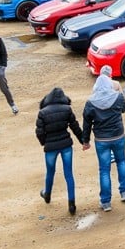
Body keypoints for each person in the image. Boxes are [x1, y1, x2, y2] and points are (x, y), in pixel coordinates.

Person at [82, 66, 125, 212]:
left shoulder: (90, 102)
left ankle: (106, 201)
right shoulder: (117, 97)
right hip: (118, 135)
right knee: (121, 161)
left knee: (104, 170)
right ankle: (124, 191)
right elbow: (124, 109)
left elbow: (86, 123)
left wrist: (86, 141)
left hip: (101, 139)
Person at [36, 87, 84, 215]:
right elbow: (75, 127)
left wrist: (45, 143)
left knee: (50, 173)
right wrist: (83, 140)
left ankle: (47, 195)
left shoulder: (43, 112)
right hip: (66, 145)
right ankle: (72, 203)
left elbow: (39, 132)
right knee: (69, 174)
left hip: (51, 147)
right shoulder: (67, 109)